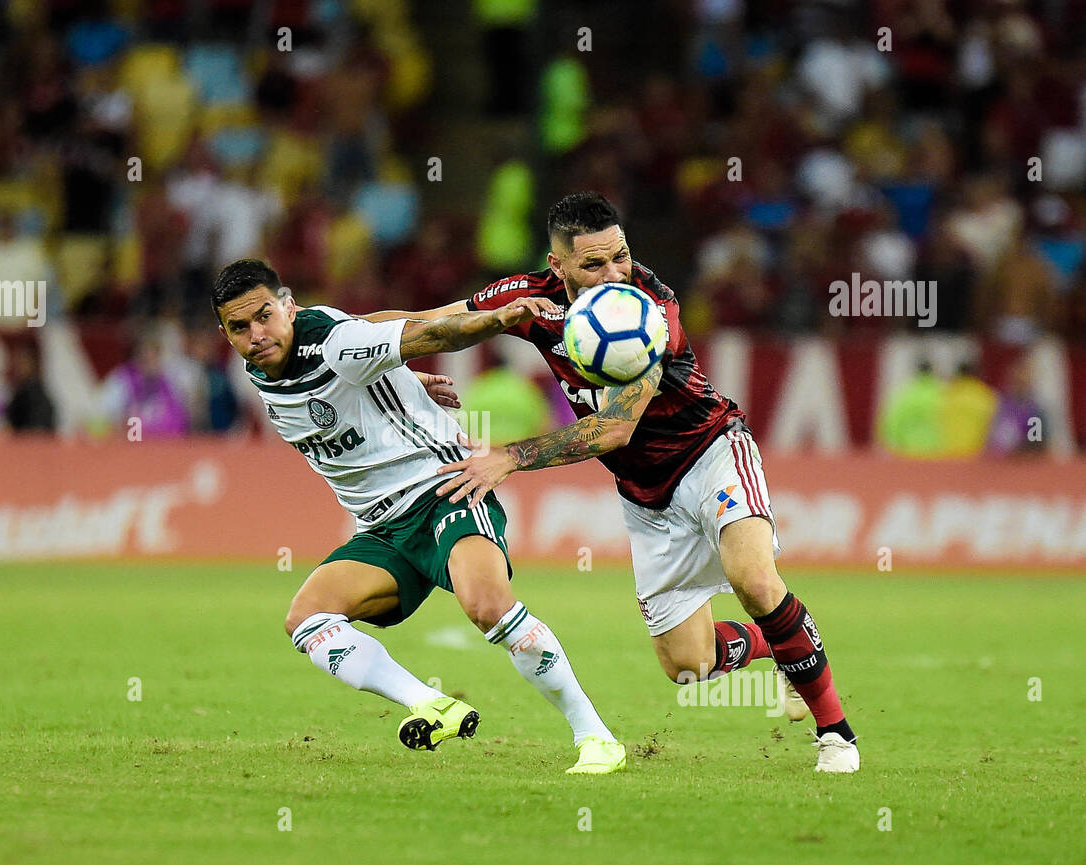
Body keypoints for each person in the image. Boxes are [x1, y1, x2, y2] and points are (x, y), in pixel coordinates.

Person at [360, 192, 860, 773]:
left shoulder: (650, 310)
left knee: (752, 577)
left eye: (620, 257)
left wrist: (510, 457)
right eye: (594, 265)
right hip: (648, 500)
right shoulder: (529, 296)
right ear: (559, 266)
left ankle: (836, 734)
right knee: (689, 668)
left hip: (711, 455)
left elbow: (615, 429)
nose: (613, 274)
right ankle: (778, 643)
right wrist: (327, 337)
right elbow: (428, 322)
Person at [213, 258, 625, 774]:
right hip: (383, 530)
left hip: (443, 493)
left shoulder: (337, 346)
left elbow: (434, 333)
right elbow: (356, 381)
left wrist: (501, 318)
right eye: (239, 327)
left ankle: (595, 735)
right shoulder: (261, 369)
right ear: (225, 332)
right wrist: (400, 390)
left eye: (265, 316)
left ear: (290, 305)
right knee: (307, 619)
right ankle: (431, 703)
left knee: (488, 606)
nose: (256, 334)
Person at [877, 359, 946, 458]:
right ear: (933, 371)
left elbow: (892, 423)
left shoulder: (905, 394)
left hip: (909, 452)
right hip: (940, 453)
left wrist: (895, 445)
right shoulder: (945, 393)